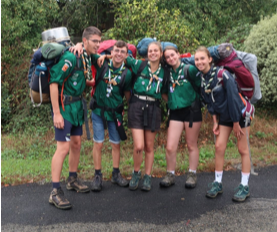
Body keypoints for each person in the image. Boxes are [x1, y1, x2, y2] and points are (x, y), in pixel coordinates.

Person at [49, 26, 101, 209]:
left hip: (78, 108)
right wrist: (56, 113)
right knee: (62, 148)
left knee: (76, 144)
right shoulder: (71, 57)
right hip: (65, 108)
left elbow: (79, 79)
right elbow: (54, 82)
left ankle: (72, 179)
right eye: (95, 41)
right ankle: (55, 191)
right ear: (85, 41)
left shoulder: (85, 57)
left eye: (99, 41)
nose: (98, 44)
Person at [70, 40, 132, 191]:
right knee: (98, 143)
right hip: (98, 111)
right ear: (112, 52)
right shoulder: (101, 63)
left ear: (126, 55)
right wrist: (78, 45)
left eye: (122, 52)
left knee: (115, 144)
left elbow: (128, 95)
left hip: (115, 113)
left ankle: (116, 174)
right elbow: (87, 52)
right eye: (116, 50)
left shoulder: (127, 73)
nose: (118, 54)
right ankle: (97, 175)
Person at [194, 45, 252, 202]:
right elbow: (209, 102)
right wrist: (215, 121)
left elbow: (234, 99)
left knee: (242, 149)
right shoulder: (202, 78)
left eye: (202, 58)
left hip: (239, 114)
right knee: (219, 147)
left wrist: (235, 123)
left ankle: (244, 186)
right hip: (225, 117)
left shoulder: (223, 74)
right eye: (197, 59)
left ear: (210, 59)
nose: (199, 62)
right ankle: (218, 183)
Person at [116, 41, 168, 192]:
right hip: (137, 105)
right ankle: (136, 173)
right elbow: (120, 56)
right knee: (139, 145)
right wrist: (105, 56)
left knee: (149, 146)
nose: (152, 53)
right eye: (150, 51)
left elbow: (165, 92)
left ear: (160, 53)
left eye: (155, 51)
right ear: (147, 53)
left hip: (154, 107)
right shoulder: (139, 64)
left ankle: (147, 176)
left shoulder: (165, 71)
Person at [160, 46, 202, 189]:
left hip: (192, 112)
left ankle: (192, 174)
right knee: (171, 147)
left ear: (178, 54)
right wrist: (173, 101)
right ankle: (170, 174)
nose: (171, 58)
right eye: (167, 57)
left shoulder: (189, 69)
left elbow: (200, 87)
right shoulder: (167, 73)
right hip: (175, 112)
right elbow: (163, 93)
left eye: (173, 55)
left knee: (191, 144)